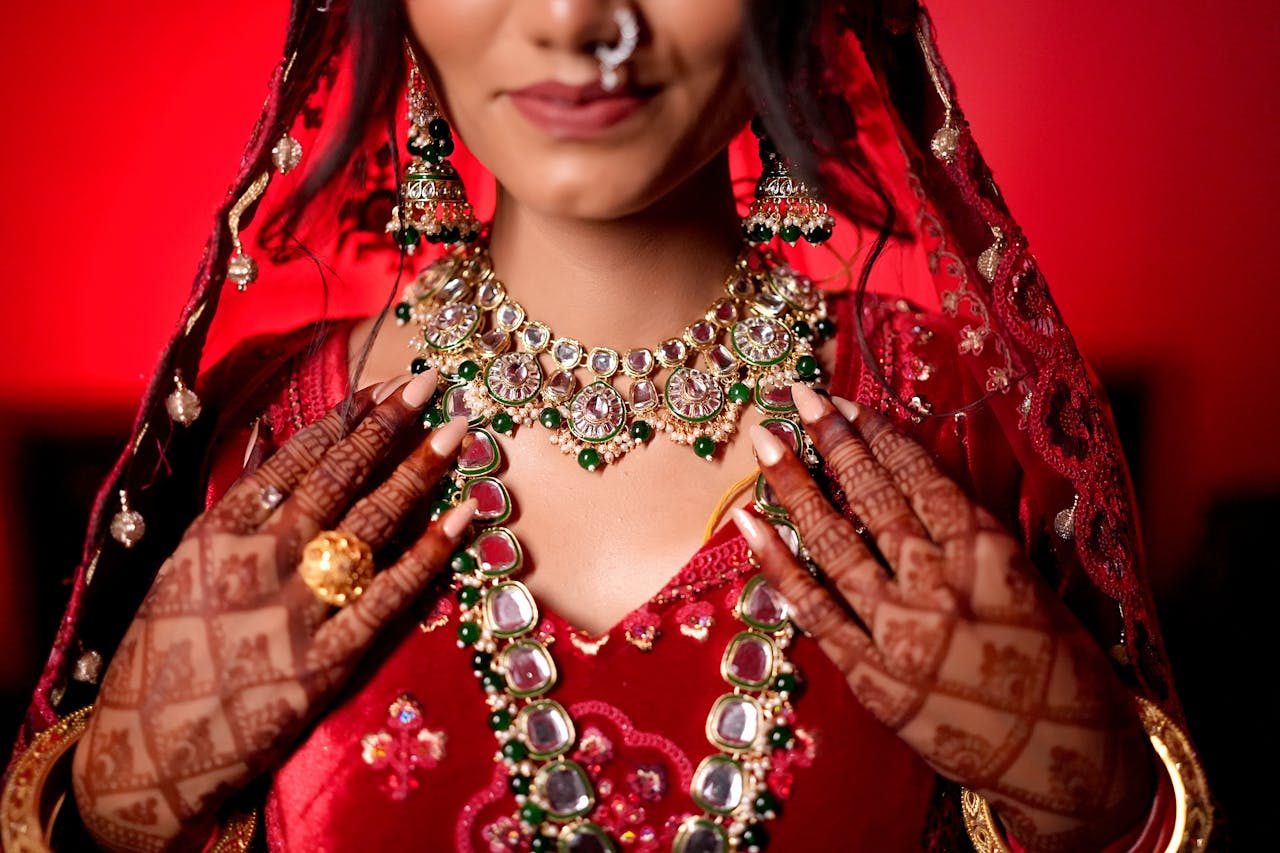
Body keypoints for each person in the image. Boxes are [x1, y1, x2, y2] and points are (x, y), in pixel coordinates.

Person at [2, 1, 1214, 851]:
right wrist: (116, 809)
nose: (580, 21)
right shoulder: (262, 445)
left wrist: (1100, 803)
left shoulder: (960, 420)